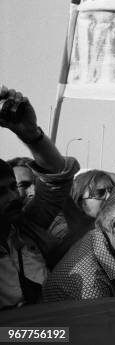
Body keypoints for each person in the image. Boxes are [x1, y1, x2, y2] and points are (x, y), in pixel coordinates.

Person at [0, 86, 79, 309]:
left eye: (11, 188)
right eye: (0, 192)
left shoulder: (27, 229)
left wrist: (30, 133)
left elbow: (58, 176)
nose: (13, 196)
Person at [46, 170, 115, 268]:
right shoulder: (62, 226)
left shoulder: (112, 228)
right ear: (80, 198)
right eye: (100, 192)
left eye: (112, 191)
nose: (109, 197)